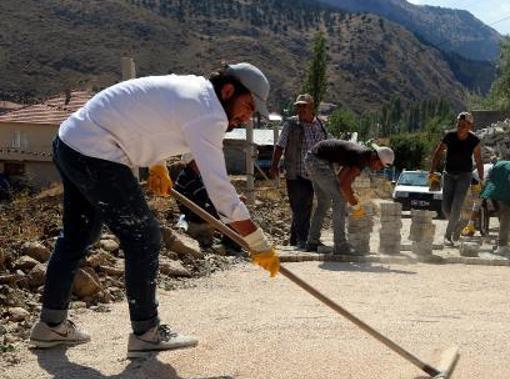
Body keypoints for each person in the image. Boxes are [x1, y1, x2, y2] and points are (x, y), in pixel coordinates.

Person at [30, 63, 280, 359]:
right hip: (97, 151)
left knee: (78, 235)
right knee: (144, 237)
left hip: (71, 141)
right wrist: (257, 242)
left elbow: (155, 117)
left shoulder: (196, 91)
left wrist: (158, 162)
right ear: (228, 91)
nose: (248, 117)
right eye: (248, 106)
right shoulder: (210, 114)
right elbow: (220, 191)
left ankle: (51, 325)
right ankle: (147, 332)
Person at [305, 140, 394, 255]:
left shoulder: (361, 156)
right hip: (318, 162)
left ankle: (312, 242)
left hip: (313, 158)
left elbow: (341, 178)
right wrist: (356, 206)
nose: (379, 169)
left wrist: (351, 194)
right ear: (375, 158)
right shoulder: (361, 158)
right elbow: (343, 185)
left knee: (324, 202)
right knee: (339, 200)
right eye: (380, 165)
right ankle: (340, 245)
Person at [269, 94, 328, 249]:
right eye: (298, 106)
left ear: (311, 107)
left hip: (313, 174)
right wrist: (274, 165)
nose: (300, 109)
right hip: (295, 172)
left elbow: (325, 148)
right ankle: (305, 240)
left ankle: (296, 239)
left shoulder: (319, 125)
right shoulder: (291, 124)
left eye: (303, 106)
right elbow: (280, 145)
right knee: (299, 206)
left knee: (307, 206)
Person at [429, 112, 483, 246]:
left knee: (456, 205)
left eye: (464, 125)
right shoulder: (450, 136)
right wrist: (432, 170)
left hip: (465, 175)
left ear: (470, 126)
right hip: (448, 174)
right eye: (459, 124)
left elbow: (478, 160)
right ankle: (459, 225)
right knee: (446, 208)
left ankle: (448, 236)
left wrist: (481, 179)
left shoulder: (474, 140)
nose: (460, 127)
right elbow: (438, 153)